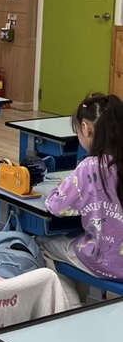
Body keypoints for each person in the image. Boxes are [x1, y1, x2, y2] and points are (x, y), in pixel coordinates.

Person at [38, 93, 123, 306]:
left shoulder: (90, 167)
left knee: (43, 244)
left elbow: (56, 206)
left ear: (86, 128)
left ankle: (71, 306)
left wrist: (62, 187)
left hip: (105, 261)